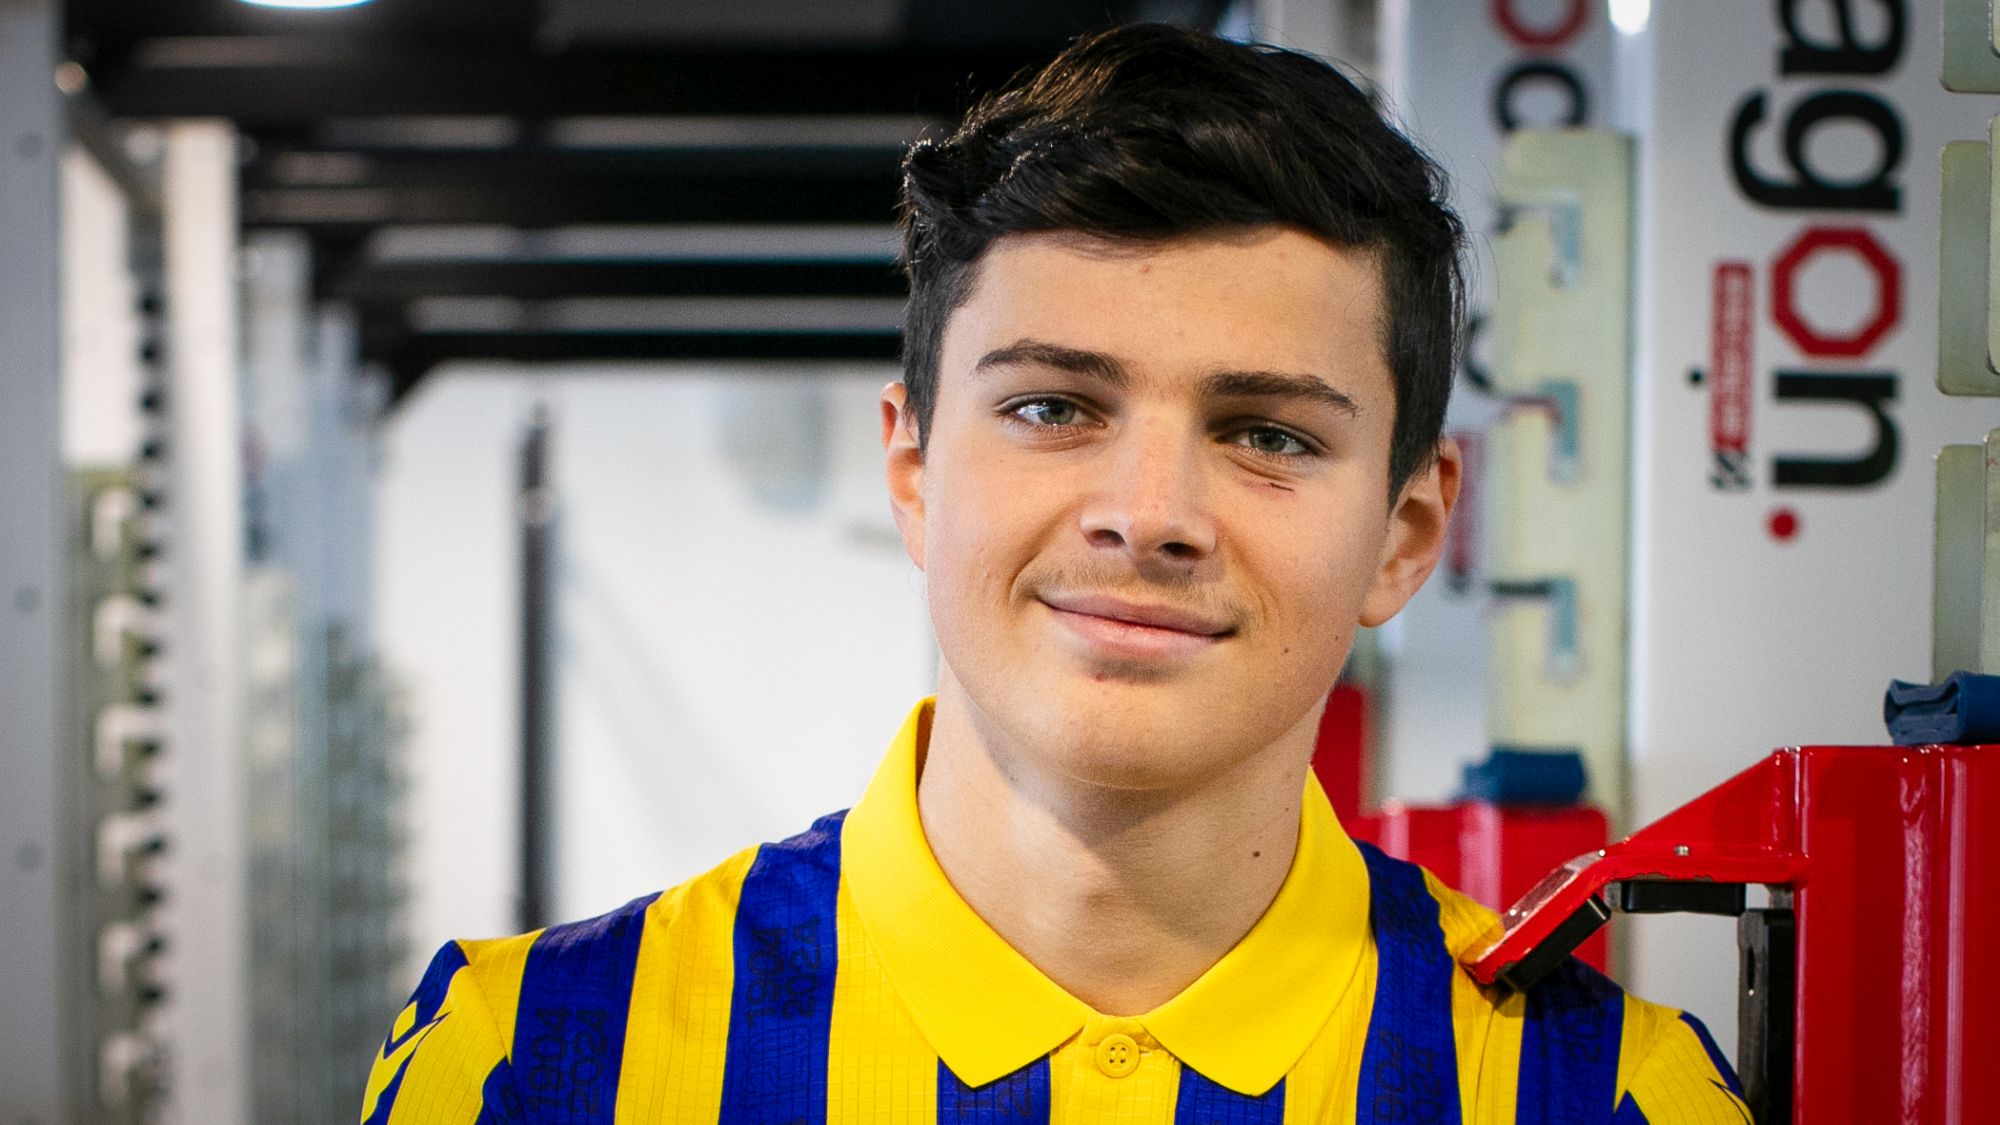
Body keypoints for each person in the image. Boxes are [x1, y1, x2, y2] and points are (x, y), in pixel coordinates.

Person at [359, 24, 1749, 1124]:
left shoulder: (1618, 1099)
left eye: (1267, 433)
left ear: (1405, 532)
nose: (1148, 517)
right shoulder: (525, 1067)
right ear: (914, 468)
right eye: (1052, 407)